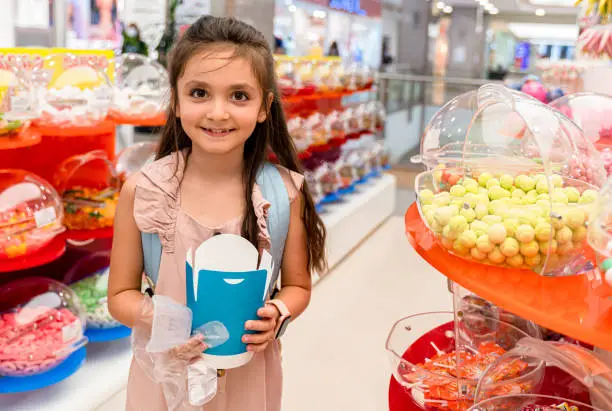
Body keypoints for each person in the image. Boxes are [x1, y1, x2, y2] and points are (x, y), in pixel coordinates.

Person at [108, 15, 327, 411]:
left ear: (265, 107)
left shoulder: (282, 195)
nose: (219, 112)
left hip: (249, 379)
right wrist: (163, 318)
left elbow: (299, 286)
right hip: (164, 379)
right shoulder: (144, 191)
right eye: (199, 93)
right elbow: (120, 296)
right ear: (175, 100)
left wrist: (277, 312)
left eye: (239, 96)